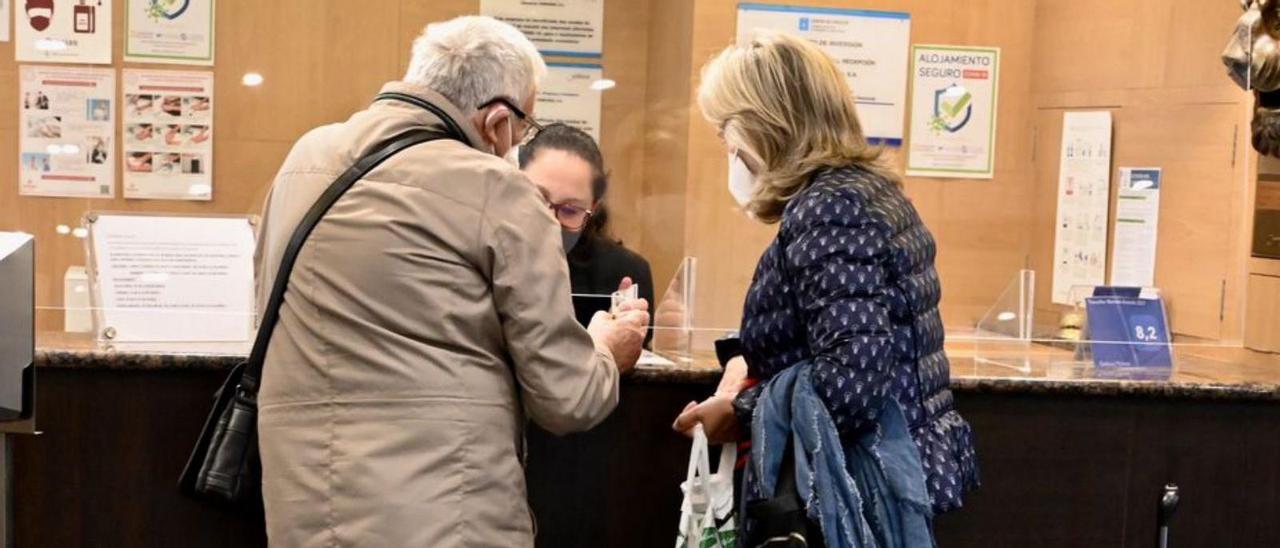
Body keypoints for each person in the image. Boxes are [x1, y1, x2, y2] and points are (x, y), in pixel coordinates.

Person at [253, 16, 649, 547]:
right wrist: (606, 349)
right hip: (446, 514)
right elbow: (567, 397)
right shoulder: (496, 187)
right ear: (498, 122)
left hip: (303, 504)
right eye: (524, 129)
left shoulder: (305, 159)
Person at [672, 32, 979, 541]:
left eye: (726, 128)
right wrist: (748, 359)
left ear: (765, 125)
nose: (726, 146)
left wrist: (742, 413)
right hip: (891, 473)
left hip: (854, 492)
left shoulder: (828, 210)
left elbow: (852, 378)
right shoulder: (865, 193)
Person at [517, 123, 655, 343]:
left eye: (570, 210)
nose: (550, 220)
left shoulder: (624, 271)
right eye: (538, 199)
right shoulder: (481, 253)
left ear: (593, 207)